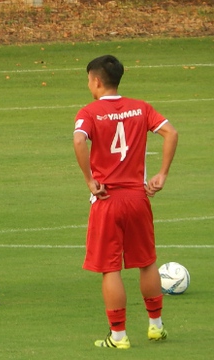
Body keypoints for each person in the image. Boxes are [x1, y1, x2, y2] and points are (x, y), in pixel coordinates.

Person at [72, 55, 178, 349]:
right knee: (146, 263)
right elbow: (171, 132)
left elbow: (79, 140)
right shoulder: (140, 108)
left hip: (107, 199)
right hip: (137, 197)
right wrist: (162, 174)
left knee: (110, 268)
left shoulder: (89, 112)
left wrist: (89, 179)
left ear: (95, 81)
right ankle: (155, 326)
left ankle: (118, 336)